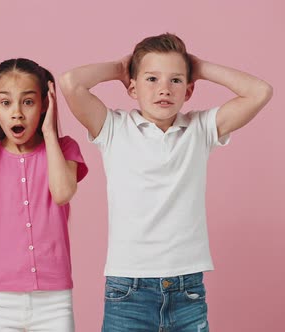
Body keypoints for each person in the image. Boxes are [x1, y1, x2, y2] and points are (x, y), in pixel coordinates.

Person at [59, 33, 272, 331]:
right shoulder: (114, 128)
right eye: (151, 79)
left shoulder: (200, 129)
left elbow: (260, 91)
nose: (164, 89)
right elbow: (70, 83)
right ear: (132, 87)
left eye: (175, 80)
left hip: (187, 290)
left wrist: (201, 67)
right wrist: (120, 69)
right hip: (127, 290)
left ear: (189, 89)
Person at [0, 58, 88, 331]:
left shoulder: (63, 149)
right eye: (5, 103)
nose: (16, 113)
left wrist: (49, 132)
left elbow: (62, 193)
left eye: (28, 102)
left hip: (53, 300)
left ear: (44, 104)